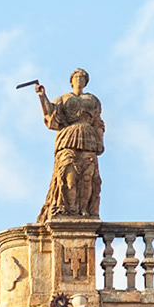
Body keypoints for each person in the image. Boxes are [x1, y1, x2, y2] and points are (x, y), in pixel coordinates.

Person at [35, 68, 104, 221]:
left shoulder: (93, 100)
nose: (79, 80)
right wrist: (42, 96)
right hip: (67, 138)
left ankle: (85, 210)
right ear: (71, 81)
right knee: (68, 174)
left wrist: (100, 141)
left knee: (88, 176)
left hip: (88, 139)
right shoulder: (64, 98)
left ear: (85, 82)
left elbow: (98, 123)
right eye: (76, 78)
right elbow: (50, 113)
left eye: (82, 78)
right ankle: (69, 209)